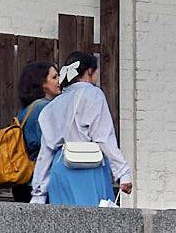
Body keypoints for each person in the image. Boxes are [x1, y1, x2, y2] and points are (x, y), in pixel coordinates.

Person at [31, 52, 129, 207]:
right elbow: (103, 137)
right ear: (90, 71)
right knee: (94, 224)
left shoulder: (54, 104)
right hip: (87, 166)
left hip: (60, 168)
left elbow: (46, 152)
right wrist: (123, 172)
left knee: (63, 225)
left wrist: (38, 193)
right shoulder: (93, 93)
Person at [0, 58, 56, 202]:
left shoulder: (28, 109)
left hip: (23, 181)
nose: (59, 81)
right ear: (42, 83)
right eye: (54, 77)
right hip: (38, 183)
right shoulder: (43, 108)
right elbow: (49, 146)